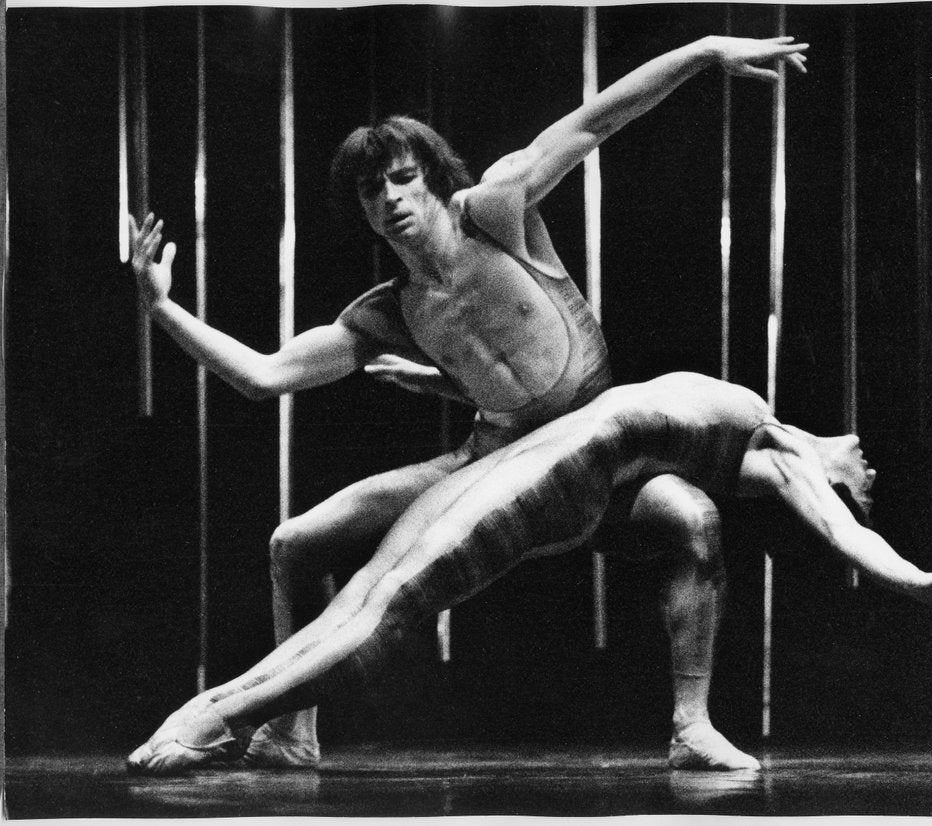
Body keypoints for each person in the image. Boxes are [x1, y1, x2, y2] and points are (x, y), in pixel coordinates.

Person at [128, 34, 809, 771]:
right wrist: (162, 309)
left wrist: (705, 51)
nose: (389, 200)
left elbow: (597, 121)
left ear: (431, 177)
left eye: (401, 179)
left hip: (604, 461)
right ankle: (294, 729)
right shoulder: (391, 310)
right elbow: (263, 376)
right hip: (491, 463)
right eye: (370, 192)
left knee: (692, 518)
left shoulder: (499, 209)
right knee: (295, 543)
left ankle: (692, 726)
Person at [126, 371, 932, 776]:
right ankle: (223, 711)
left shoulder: (774, 453)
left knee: (390, 604)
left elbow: (837, 532)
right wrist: (435, 378)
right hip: (541, 458)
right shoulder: (747, 439)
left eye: (861, 481)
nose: (861, 464)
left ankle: (215, 713)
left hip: (560, 475)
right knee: (372, 597)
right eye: (864, 466)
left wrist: (911, 578)